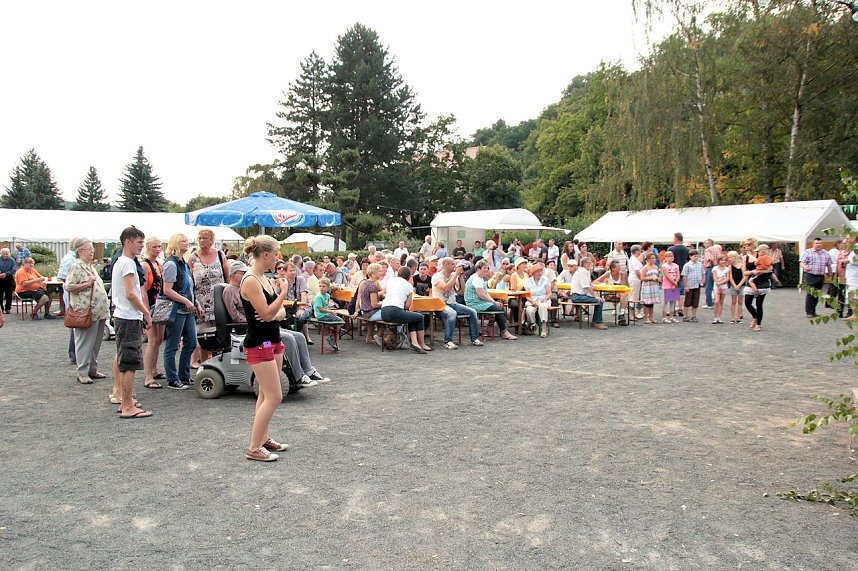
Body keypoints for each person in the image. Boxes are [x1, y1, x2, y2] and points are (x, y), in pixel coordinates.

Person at [223, 260, 327, 386]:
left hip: (268, 325)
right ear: (234, 275)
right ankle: (298, 375)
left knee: (299, 336)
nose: (245, 274)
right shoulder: (231, 290)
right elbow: (234, 315)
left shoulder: (257, 283)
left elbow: (275, 310)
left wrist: (271, 316)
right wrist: (253, 320)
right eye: (242, 272)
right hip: (254, 329)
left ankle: (308, 371)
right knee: (289, 338)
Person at [240, 235, 292, 462]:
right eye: (276, 253)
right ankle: (253, 447)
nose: (278, 258)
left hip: (272, 340)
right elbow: (268, 313)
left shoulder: (263, 278)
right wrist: (282, 293)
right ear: (265, 255)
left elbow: (277, 314)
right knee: (274, 396)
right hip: (259, 343)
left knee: (265, 393)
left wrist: (276, 310)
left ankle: (262, 438)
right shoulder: (251, 280)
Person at [111, 226, 152, 418]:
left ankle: (125, 402)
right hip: (128, 317)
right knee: (129, 363)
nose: (141, 247)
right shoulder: (127, 263)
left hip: (124, 316)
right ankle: (127, 406)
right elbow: (130, 293)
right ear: (127, 241)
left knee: (125, 361)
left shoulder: (122, 261)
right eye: (139, 243)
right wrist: (146, 312)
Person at [65, 239, 110, 384]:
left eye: (92, 249)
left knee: (96, 342)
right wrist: (87, 283)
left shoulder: (90, 266)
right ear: (79, 251)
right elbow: (69, 286)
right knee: (84, 342)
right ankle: (82, 372)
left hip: (98, 311)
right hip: (85, 311)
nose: (92, 251)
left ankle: (92, 368)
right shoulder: (76, 267)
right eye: (88, 249)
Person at [160, 234, 202, 390]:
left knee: (191, 341)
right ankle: (172, 378)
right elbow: (167, 290)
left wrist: (195, 303)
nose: (187, 243)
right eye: (183, 241)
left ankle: (183, 375)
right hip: (177, 309)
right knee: (172, 344)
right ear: (176, 244)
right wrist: (186, 301)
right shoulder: (171, 264)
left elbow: (189, 288)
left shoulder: (183, 263)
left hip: (186, 308)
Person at [188, 229, 229, 368]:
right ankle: (205, 365)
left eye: (205, 238)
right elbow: (189, 281)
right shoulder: (193, 257)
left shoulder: (219, 254)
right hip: (201, 301)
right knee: (203, 334)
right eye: (199, 238)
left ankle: (220, 365)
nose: (201, 240)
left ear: (212, 240)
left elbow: (227, 277)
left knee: (220, 334)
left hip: (218, 300)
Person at [432, 257, 483, 349]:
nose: (455, 266)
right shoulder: (437, 276)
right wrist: (455, 275)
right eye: (452, 264)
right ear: (446, 265)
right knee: (452, 314)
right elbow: (445, 288)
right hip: (440, 305)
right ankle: (448, 341)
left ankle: (475, 338)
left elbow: (462, 292)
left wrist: (460, 277)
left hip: (453, 303)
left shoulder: (453, 275)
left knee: (472, 312)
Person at [381, 266, 432, 353]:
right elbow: (407, 306)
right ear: (409, 276)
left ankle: (415, 342)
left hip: (384, 311)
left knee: (412, 317)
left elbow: (384, 292)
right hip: (395, 311)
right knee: (420, 317)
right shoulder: (409, 286)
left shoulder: (391, 281)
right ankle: (421, 343)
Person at [464, 260, 517, 340]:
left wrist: (494, 301)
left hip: (479, 302)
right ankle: (504, 332)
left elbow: (486, 292)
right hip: (474, 303)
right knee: (499, 309)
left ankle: (490, 328)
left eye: (487, 268)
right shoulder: (476, 279)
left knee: (498, 307)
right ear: (478, 269)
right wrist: (493, 302)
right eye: (484, 268)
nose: (486, 270)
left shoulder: (480, 278)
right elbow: (481, 295)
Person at [141, 237, 166, 389]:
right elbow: (143, 290)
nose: (157, 249)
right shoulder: (145, 265)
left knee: (159, 339)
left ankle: (154, 370)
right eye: (154, 247)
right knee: (152, 340)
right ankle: (148, 376)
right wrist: (145, 311)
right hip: (150, 304)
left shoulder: (158, 264)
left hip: (160, 305)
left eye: (159, 247)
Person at [569, 258, 608, 330]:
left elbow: (590, 285)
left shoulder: (585, 271)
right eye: (590, 262)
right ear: (585, 264)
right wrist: (596, 296)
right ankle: (596, 322)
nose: (592, 264)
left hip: (579, 295)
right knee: (599, 301)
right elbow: (587, 286)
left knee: (599, 300)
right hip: (577, 296)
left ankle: (597, 321)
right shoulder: (582, 271)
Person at [744, 244, 776, 331]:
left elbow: (770, 269)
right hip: (752, 279)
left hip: (762, 283)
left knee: (759, 304)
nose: (747, 246)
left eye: (749, 244)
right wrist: (754, 271)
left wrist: (762, 271)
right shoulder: (746, 257)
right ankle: (755, 316)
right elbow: (745, 272)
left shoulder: (764, 258)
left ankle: (759, 324)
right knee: (747, 302)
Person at [282, 262, 313, 344]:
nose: (293, 272)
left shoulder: (300, 279)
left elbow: (303, 294)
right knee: (281, 319)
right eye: (290, 271)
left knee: (300, 318)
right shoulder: (282, 281)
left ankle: (297, 339)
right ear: (285, 272)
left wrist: (301, 308)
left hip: (303, 306)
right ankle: (289, 339)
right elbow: (276, 295)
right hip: (289, 308)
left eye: (294, 270)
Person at [312, 277, 345, 351]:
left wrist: (331, 310)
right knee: (340, 321)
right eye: (320, 286)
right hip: (320, 315)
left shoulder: (327, 296)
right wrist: (330, 312)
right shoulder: (319, 297)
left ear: (328, 287)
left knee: (339, 321)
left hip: (325, 314)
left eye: (323, 286)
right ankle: (332, 337)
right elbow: (320, 308)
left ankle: (332, 334)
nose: (321, 288)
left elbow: (326, 306)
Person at [593, 259, 629, 325]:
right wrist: (604, 285)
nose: (620, 268)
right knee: (623, 295)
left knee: (624, 295)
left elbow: (623, 287)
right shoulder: (608, 274)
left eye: (619, 266)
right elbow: (595, 282)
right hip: (609, 293)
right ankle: (621, 315)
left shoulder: (623, 274)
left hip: (618, 293)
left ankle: (622, 314)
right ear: (613, 268)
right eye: (618, 267)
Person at [523, 263, 552, 336]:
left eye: (541, 271)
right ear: (533, 273)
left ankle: (544, 326)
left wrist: (545, 298)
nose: (540, 273)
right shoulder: (528, 281)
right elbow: (527, 295)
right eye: (538, 271)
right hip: (532, 300)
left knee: (543, 306)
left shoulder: (545, 279)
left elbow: (549, 293)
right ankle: (533, 324)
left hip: (543, 299)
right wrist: (532, 301)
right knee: (529, 310)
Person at [668, 232, 690, 311]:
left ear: (676, 239)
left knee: (672, 289)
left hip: (672, 271)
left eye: (673, 238)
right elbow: (688, 260)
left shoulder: (671, 249)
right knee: (681, 290)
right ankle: (681, 307)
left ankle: (672, 309)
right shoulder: (686, 249)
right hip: (683, 271)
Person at [680, 249, 704, 323]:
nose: (696, 257)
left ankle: (694, 316)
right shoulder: (687, 265)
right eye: (694, 256)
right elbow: (684, 276)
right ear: (690, 256)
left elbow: (703, 273)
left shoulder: (700, 264)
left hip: (697, 285)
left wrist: (703, 281)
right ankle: (685, 316)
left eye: (697, 256)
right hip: (690, 285)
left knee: (695, 302)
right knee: (687, 301)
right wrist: (686, 285)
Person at [639, 252, 661, 325]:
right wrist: (651, 278)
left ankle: (651, 317)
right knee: (646, 303)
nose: (653, 259)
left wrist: (658, 279)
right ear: (648, 259)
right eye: (652, 258)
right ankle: (646, 317)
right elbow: (642, 278)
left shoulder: (656, 267)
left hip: (654, 286)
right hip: (647, 286)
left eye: (654, 258)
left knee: (652, 303)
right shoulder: (645, 267)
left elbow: (658, 275)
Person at [660, 250, 680, 323]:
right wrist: (674, 283)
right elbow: (667, 276)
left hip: (674, 284)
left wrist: (676, 283)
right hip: (667, 285)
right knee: (665, 301)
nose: (671, 258)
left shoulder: (676, 266)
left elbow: (678, 275)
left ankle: (672, 316)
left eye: (672, 256)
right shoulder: (664, 266)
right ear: (665, 258)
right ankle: (664, 317)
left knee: (673, 301)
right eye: (668, 256)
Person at [727, 250, 745, 324]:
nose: (729, 259)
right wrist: (734, 285)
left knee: (740, 302)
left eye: (730, 257)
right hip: (733, 285)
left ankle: (739, 317)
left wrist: (739, 285)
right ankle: (732, 317)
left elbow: (744, 277)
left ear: (735, 257)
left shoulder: (741, 266)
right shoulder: (730, 267)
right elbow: (730, 277)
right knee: (733, 301)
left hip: (741, 285)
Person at [702, 238, 721, 308]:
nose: (704, 245)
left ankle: (709, 303)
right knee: (716, 285)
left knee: (708, 286)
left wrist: (714, 264)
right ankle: (717, 301)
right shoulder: (717, 249)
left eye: (705, 243)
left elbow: (710, 258)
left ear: (709, 243)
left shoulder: (708, 250)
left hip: (710, 267)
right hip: (717, 268)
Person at [712, 255, 730, 324]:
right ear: (718, 261)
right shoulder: (715, 268)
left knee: (721, 302)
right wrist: (718, 283)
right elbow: (715, 278)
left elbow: (727, 278)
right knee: (716, 301)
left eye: (724, 260)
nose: (723, 262)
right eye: (722, 260)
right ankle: (715, 317)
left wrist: (722, 282)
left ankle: (719, 317)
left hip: (724, 286)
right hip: (717, 286)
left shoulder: (727, 269)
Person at [627, 244, 644, 320]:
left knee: (634, 296)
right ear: (636, 251)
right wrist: (642, 278)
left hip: (634, 279)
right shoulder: (634, 260)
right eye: (640, 250)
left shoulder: (634, 259)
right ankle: (631, 315)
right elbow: (637, 272)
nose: (641, 251)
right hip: (635, 279)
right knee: (633, 297)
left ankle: (632, 314)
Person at [0, 247, 16, 315]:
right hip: (0, 277)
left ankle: (7, 308)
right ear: (1, 253)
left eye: (7, 254)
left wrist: (6, 274)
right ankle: (1, 309)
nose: (5, 255)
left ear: (9, 254)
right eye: (4, 254)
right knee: (0, 294)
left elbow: (14, 269)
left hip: (8, 277)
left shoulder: (11, 260)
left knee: (9, 294)